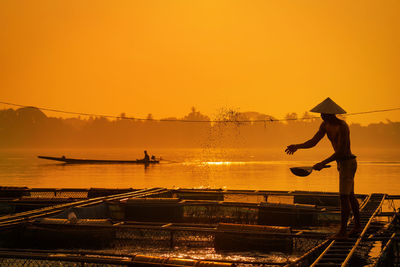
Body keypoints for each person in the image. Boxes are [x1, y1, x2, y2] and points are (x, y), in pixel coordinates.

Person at [285, 97, 360, 239]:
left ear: (331, 114)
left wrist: (322, 163)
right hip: (342, 164)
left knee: (344, 198)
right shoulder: (324, 125)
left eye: (323, 114)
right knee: (350, 196)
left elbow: (342, 152)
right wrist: (297, 146)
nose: (321, 116)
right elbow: (313, 141)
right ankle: (357, 227)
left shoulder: (342, 126)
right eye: (321, 114)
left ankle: (343, 232)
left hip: (348, 163)